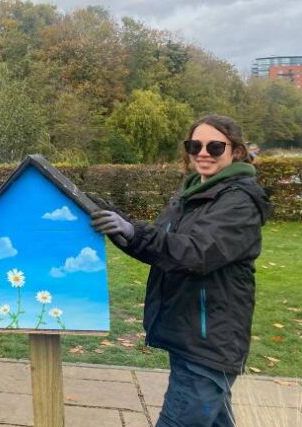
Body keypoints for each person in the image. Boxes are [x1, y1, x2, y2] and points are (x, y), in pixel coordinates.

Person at [91, 114, 272, 427]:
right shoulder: (191, 195)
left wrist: (133, 231)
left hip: (209, 342)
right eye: (194, 145)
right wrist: (118, 224)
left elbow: (194, 253)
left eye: (215, 147)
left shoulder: (239, 202)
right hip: (190, 334)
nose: (203, 153)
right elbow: (162, 248)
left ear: (236, 151)